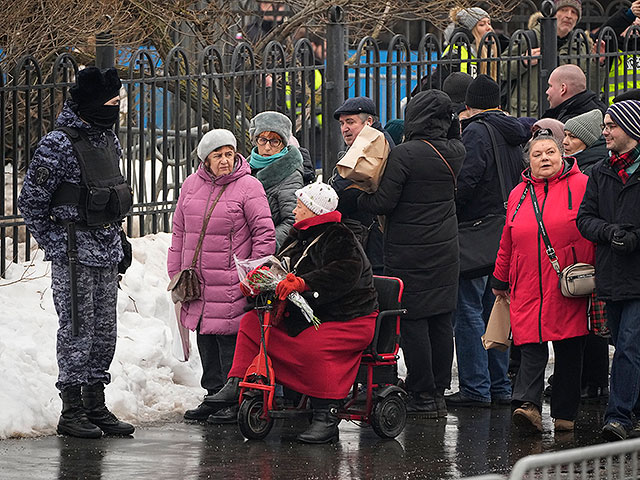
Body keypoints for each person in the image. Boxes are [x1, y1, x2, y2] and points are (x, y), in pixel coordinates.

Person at [204, 182, 378, 444]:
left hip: (348, 319)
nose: (295, 211)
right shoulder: (300, 234)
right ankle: (237, 381)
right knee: (253, 323)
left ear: (313, 210)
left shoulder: (340, 237)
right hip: (307, 315)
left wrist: (304, 283)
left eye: (299, 206)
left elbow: (344, 273)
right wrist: (260, 280)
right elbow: (282, 265)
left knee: (312, 347)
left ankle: (326, 414)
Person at [18, 66, 135, 438]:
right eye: (113, 102)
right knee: (77, 331)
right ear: (94, 103)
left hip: (105, 250)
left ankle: (94, 404)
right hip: (74, 254)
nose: (117, 109)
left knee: (105, 333)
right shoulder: (58, 143)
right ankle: (71, 411)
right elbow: (32, 201)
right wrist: (55, 243)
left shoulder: (106, 139)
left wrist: (121, 241)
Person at [358, 90, 465, 418]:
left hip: (409, 252)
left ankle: (420, 393)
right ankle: (437, 393)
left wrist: (356, 198)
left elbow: (383, 203)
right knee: (441, 321)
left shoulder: (405, 154)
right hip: (446, 249)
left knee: (414, 320)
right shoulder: (456, 151)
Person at [168, 129, 276, 423]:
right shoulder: (191, 185)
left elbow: (264, 234)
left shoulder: (248, 186)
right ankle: (212, 394)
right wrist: (175, 269)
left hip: (231, 281)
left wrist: (253, 273)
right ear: (206, 158)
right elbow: (179, 230)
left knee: (229, 337)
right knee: (205, 334)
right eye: (218, 155)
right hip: (197, 280)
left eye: (229, 153)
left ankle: (233, 398)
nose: (225, 160)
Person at [491, 132, 594, 433]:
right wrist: (500, 278)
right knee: (530, 347)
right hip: (526, 283)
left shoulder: (583, 186)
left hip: (567, 284)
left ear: (562, 155)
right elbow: (506, 241)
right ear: (529, 161)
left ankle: (565, 413)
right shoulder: (517, 194)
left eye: (550, 152)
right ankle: (528, 407)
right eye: (538, 155)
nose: (545, 158)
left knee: (569, 349)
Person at [445, 75, 529, 409]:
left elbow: (468, 179)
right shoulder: (512, 131)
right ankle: (499, 386)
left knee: (466, 310)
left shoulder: (478, 130)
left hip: (476, 232)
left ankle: (476, 388)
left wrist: (452, 206)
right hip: (503, 230)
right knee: (493, 308)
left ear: (468, 104)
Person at [576, 99, 640, 441]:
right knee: (624, 343)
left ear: (631, 130)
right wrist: (609, 232)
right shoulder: (600, 171)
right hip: (611, 273)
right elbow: (585, 218)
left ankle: (618, 416)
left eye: (611, 125)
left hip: (637, 273)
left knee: (629, 344)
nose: (605, 131)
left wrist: (634, 238)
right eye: (604, 125)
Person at [329, 96, 395, 275]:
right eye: (342, 123)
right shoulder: (366, 144)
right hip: (368, 236)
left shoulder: (374, 145)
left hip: (371, 239)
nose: (345, 129)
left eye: (350, 122)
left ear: (369, 122)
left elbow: (344, 189)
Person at [503, 0, 591, 117]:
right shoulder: (529, 38)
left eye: (574, 12)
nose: (569, 16)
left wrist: (598, 64)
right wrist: (523, 62)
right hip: (528, 115)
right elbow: (500, 69)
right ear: (553, 12)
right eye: (563, 10)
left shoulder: (579, 45)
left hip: (565, 115)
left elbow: (587, 83)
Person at [248, 111, 304, 250]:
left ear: (283, 144)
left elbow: (292, 220)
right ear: (256, 140)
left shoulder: (291, 174)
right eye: (263, 139)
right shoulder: (245, 169)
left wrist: (267, 245)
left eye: (274, 141)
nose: (267, 147)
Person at [415, 7, 497, 92]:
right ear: (470, 30)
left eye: (489, 23)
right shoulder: (456, 51)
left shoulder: (489, 51)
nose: (489, 28)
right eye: (482, 24)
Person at [541, 64, 607, 122]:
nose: (547, 91)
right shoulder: (599, 110)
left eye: (550, 86)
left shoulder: (570, 122)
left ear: (563, 89)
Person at [563, 109, 607, 174]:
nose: (564, 142)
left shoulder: (594, 170)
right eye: (565, 135)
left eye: (572, 137)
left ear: (588, 142)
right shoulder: (565, 165)